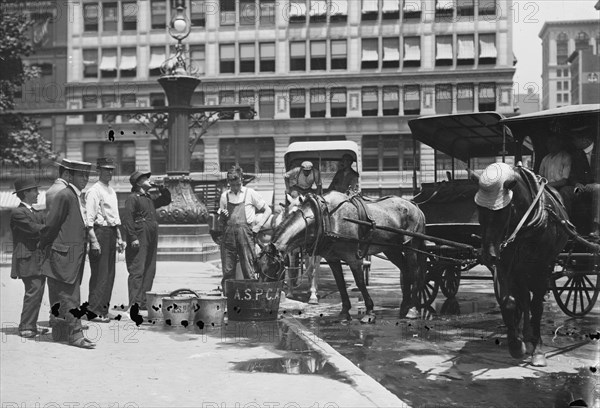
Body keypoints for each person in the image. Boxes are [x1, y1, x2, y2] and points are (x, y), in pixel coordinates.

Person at [40, 159, 95, 349]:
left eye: (87, 176)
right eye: (81, 175)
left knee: (59, 295)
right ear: (69, 175)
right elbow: (51, 225)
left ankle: (59, 331)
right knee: (71, 297)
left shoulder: (76, 196)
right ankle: (75, 335)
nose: (85, 179)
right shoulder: (65, 195)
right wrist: (43, 244)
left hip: (72, 255)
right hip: (62, 255)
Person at [85, 158, 126, 322]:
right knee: (99, 274)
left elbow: (114, 218)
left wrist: (119, 238)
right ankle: (93, 311)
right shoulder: (94, 191)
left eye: (111, 169)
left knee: (110, 274)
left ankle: (103, 309)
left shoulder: (111, 191)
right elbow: (89, 220)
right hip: (99, 232)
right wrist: (94, 241)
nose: (109, 172)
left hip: (110, 232)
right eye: (106, 169)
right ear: (98, 171)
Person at [217, 165, 272, 291]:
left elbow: (267, 210)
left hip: (246, 236)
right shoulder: (224, 196)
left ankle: (251, 298)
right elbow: (221, 223)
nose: (235, 187)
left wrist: (258, 226)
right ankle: (228, 299)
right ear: (228, 183)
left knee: (248, 268)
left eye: (238, 184)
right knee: (228, 270)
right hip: (228, 237)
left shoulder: (250, 193)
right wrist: (223, 216)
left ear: (241, 180)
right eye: (233, 185)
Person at [123, 171, 171, 311]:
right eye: (145, 178)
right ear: (138, 183)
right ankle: (134, 303)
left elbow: (166, 200)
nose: (149, 180)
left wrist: (161, 187)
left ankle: (143, 301)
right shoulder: (133, 198)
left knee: (150, 268)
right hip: (140, 233)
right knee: (138, 269)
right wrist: (132, 238)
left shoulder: (148, 198)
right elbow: (128, 219)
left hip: (151, 233)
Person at [10, 178, 49, 339]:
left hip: (37, 259)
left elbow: (44, 224)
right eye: (34, 190)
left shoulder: (34, 211)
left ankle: (30, 325)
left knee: (37, 292)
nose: (38, 193)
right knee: (33, 292)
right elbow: (34, 229)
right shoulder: (18, 213)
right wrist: (51, 228)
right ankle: (26, 326)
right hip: (27, 259)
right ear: (25, 193)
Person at [560, 132, 599, 235]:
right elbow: (572, 175)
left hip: (597, 187)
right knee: (566, 191)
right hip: (581, 188)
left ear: (585, 140)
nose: (573, 142)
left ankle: (596, 228)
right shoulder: (577, 154)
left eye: (575, 139)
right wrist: (577, 184)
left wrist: (596, 184)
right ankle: (566, 227)